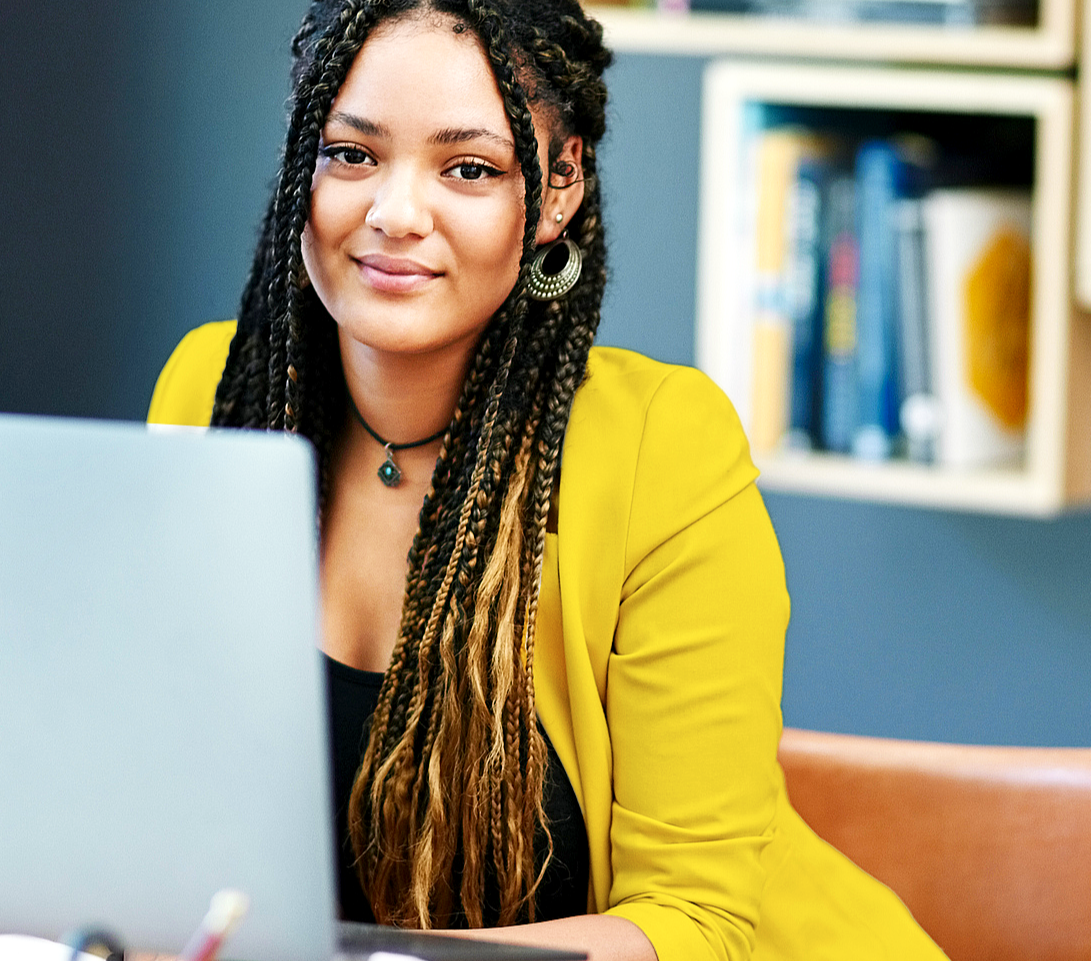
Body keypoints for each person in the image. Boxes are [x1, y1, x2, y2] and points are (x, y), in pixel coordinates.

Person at [147, 0, 948, 958]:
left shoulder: (662, 450)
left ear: (559, 188)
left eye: (469, 169)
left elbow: (693, 922)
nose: (394, 214)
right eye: (351, 154)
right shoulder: (214, 395)